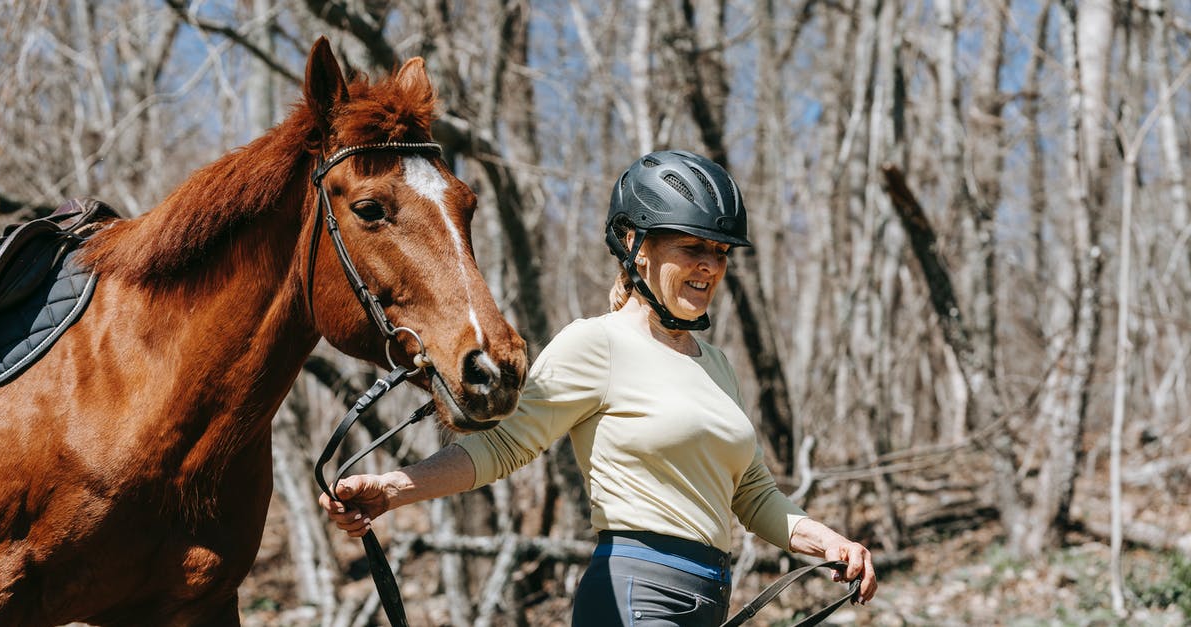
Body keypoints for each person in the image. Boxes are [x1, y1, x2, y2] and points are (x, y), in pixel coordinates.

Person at [319, 150, 878, 625]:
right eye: (691, 246)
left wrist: (829, 542)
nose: (710, 265)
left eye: (720, 252)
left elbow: (752, 494)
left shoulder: (716, 365)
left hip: (709, 598)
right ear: (636, 245)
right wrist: (393, 488)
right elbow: (505, 445)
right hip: (636, 595)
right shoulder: (598, 343)